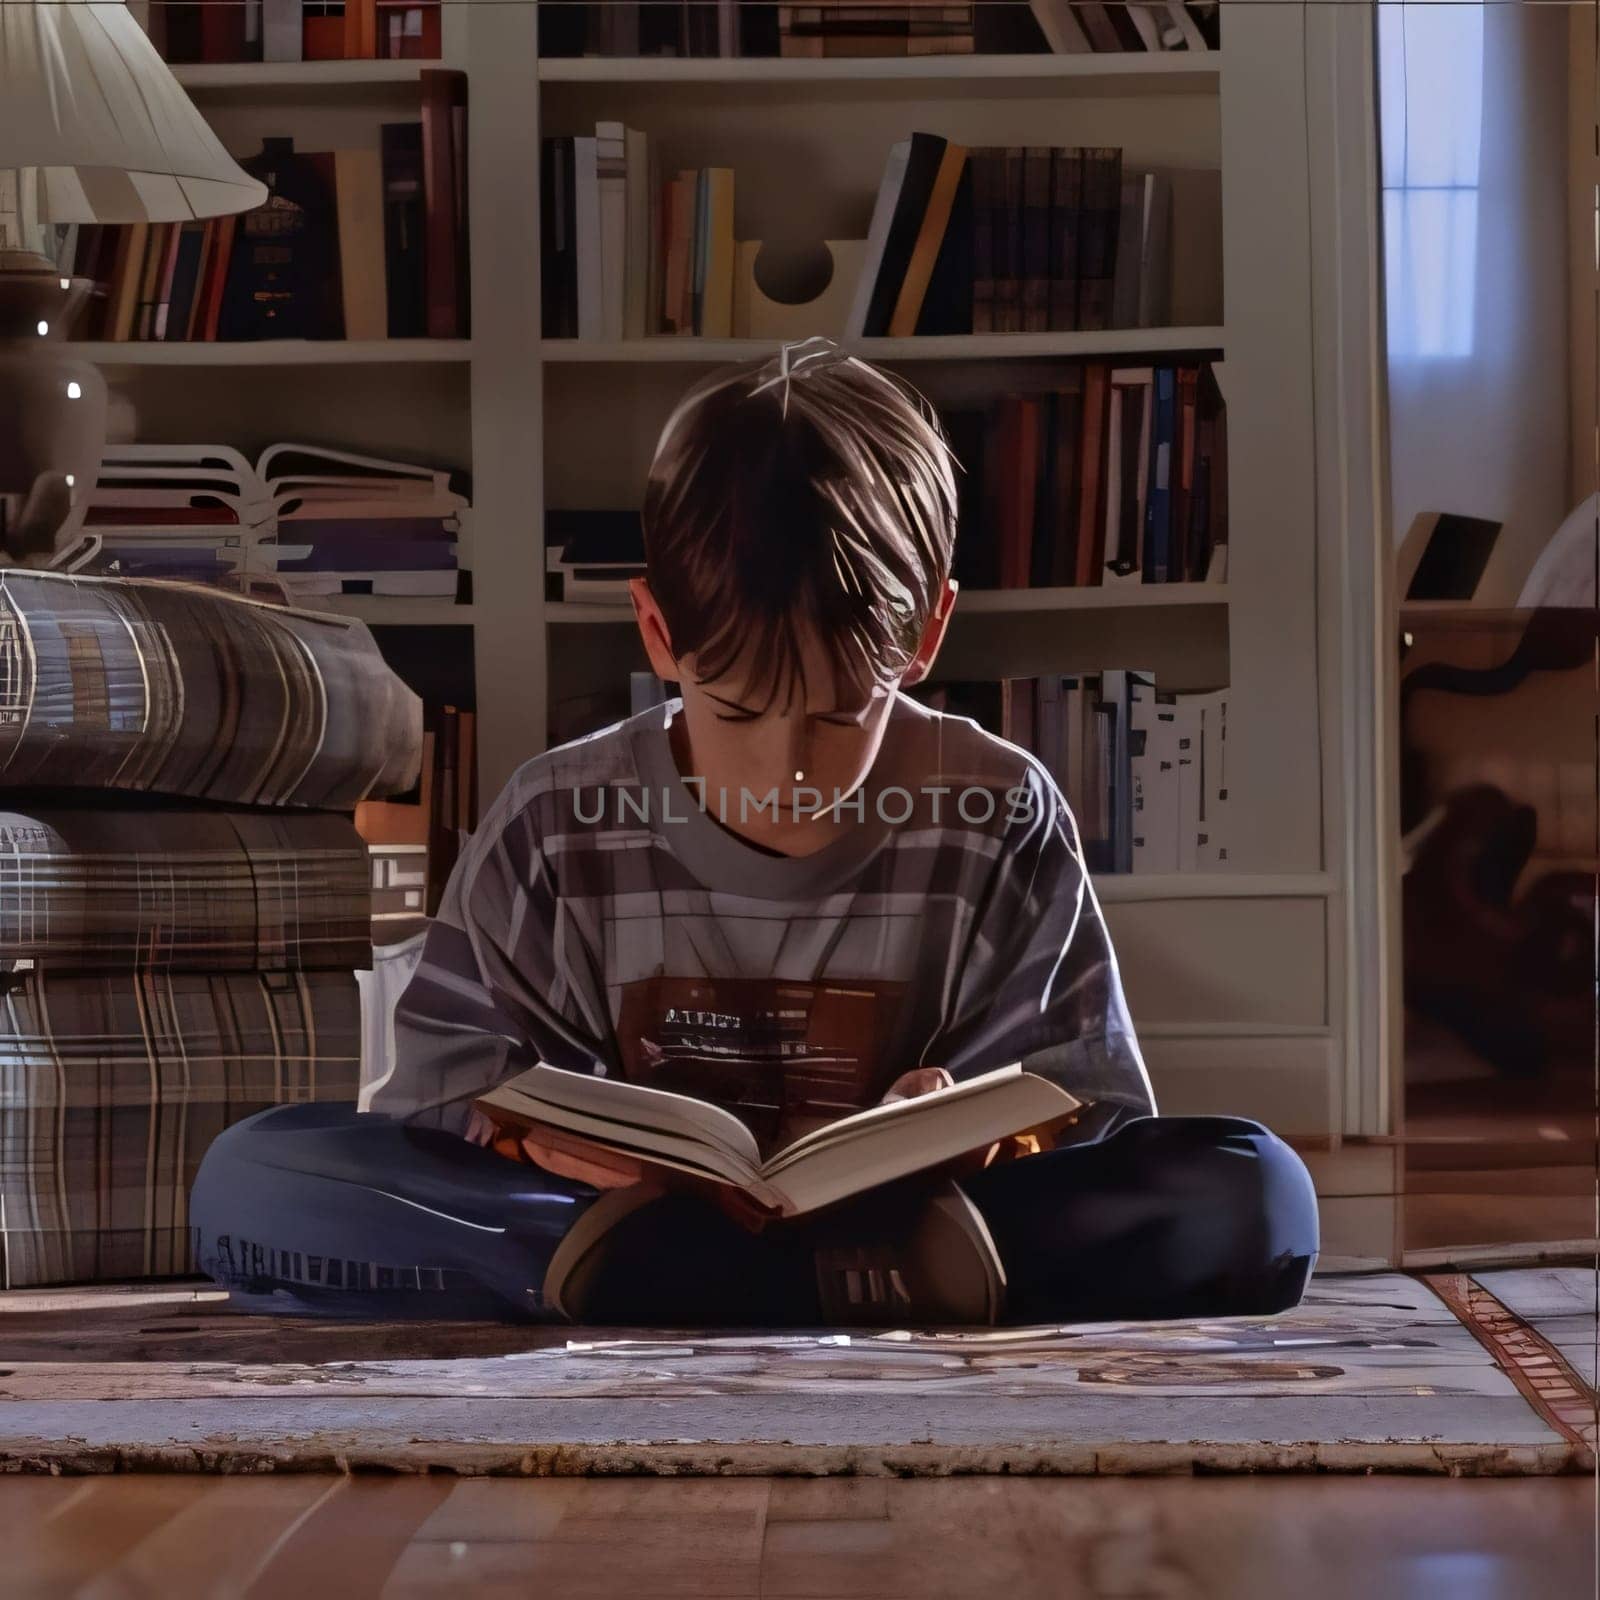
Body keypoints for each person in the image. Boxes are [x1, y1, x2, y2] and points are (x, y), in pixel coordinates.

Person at [190, 336, 1318, 1326]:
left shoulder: (997, 808)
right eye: (735, 710)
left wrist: (981, 1137)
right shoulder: (555, 818)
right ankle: (754, 1272)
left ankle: (677, 1282)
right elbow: (438, 1099)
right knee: (257, 1176)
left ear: (926, 636)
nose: (787, 764)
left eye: (839, 714)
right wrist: (539, 1148)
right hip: (615, 1218)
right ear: (657, 632)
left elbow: (1093, 1110)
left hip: (918, 1216)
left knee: (1254, 1189)